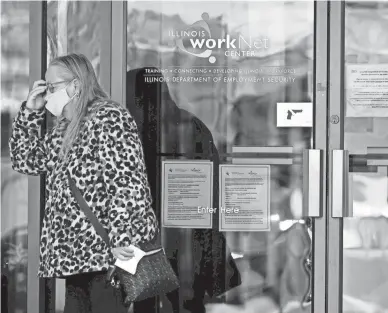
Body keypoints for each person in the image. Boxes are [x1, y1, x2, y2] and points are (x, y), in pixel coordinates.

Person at [9, 53, 159, 313]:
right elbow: (26, 161)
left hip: (106, 256)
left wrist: (121, 240)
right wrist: (30, 112)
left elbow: (126, 184)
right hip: (76, 257)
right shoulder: (65, 128)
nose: (47, 93)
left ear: (75, 86)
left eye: (51, 87)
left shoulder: (109, 118)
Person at [126, 67, 241, 313]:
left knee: (147, 300)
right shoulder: (192, 125)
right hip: (192, 235)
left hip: (157, 238)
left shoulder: (138, 132)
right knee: (188, 302)